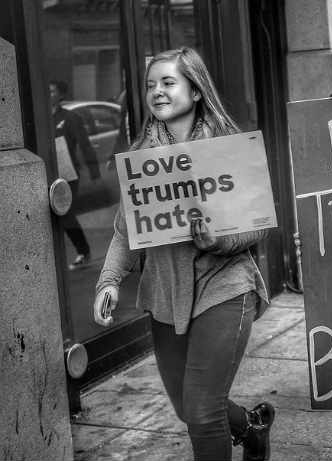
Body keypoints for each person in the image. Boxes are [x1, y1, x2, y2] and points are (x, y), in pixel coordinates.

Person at [93, 47, 274, 461]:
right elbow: (126, 231)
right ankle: (252, 428)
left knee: (202, 409)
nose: (157, 91)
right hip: (164, 295)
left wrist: (220, 241)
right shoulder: (141, 157)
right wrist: (109, 280)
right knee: (187, 408)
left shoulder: (229, 147)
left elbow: (260, 222)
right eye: (150, 85)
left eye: (168, 82)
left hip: (225, 287)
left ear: (195, 91)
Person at [49, 80, 101, 270]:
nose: (48, 94)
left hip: (68, 174)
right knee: (57, 215)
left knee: (67, 214)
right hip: (49, 174)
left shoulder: (70, 118)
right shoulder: (43, 118)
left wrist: (94, 172)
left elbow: (85, 144)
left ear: (60, 95)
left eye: (52, 90)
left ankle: (83, 252)